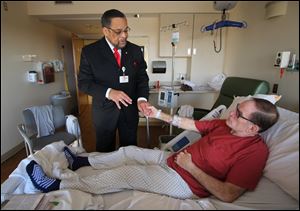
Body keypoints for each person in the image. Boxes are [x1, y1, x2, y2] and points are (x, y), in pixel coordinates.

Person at [26, 98, 279, 202]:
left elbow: (228, 194)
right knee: (130, 151)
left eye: (239, 113)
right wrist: (158, 113)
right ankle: (83, 162)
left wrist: (192, 168)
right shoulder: (226, 125)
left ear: (253, 128)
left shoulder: (254, 153)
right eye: (235, 109)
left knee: (126, 173)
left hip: (187, 182)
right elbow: (190, 124)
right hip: (174, 160)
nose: (231, 113)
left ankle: (57, 185)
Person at [77, 9, 151, 152]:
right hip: (104, 113)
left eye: (126, 30)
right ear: (105, 31)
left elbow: (142, 78)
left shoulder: (135, 51)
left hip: (129, 111)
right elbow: (84, 83)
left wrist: (142, 98)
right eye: (118, 31)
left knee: (130, 150)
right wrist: (109, 92)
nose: (124, 35)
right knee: (104, 152)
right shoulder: (90, 52)